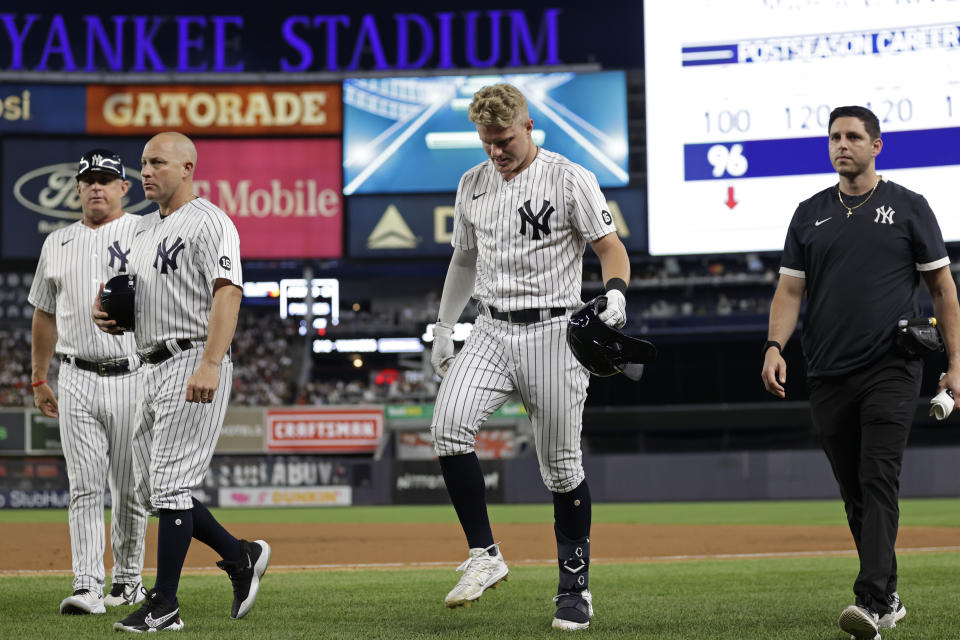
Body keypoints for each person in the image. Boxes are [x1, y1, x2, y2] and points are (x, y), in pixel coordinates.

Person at [430, 83, 630, 631]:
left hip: (553, 331)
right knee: (448, 426)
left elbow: (610, 247)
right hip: (491, 329)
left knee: (562, 470)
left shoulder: (569, 177)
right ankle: (484, 556)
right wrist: (444, 327)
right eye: (486, 140)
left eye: (504, 139)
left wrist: (615, 291)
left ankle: (574, 587)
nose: (495, 151)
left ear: (529, 126)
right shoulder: (472, 183)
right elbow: (464, 261)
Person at [761, 105, 960, 640]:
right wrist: (775, 345)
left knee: (878, 478)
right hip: (826, 370)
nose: (841, 144)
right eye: (834, 137)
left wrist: (956, 364)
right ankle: (889, 594)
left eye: (852, 136)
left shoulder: (909, 207)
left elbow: (943, 289)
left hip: (892, 367)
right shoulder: (809, 213)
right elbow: (790, 290)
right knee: (854, 491)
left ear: (877, 146)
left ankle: (869, 603)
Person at [93, 132, 270, 632]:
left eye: (158, 163)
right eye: (144, 162)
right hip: (150, 363)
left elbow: (227, 292)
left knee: (171, 485)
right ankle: (240, 556)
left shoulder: (211, 221)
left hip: (193, 357)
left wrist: (211, 363)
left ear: (188, 168)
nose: (146, 171)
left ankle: (164, 603)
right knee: (155, 490)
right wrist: (108, 310)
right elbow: (140, 297)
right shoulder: (145, 228)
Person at [29, 148, 149, 615]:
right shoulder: (56, 242)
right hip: (75, 374)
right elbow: (43, 313)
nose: (97, 186)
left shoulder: (145, 231)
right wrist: (39, 377)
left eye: (106, 179)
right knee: (83, 485)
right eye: (89, 179)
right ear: (78, 189)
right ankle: (86, 584)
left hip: (132, 375)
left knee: (130, 488)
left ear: (124, 187)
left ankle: (129, 581)